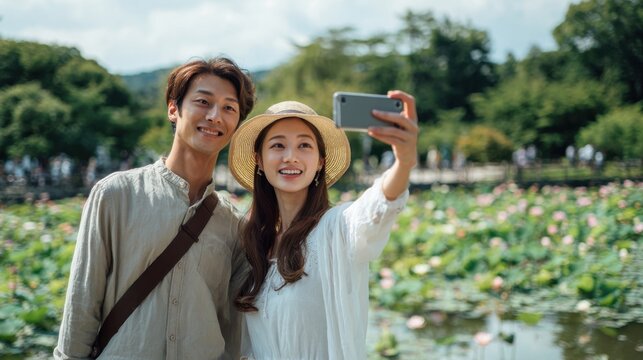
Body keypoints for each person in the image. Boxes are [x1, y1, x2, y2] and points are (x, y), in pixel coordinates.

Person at [54, 57, 256, 359]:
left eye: (229, 108)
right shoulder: (115, 195)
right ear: (173, 109)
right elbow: (82, 304)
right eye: (203, 102)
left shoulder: (233, 225)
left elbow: (234, 329)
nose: (215, 116)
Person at [228, 91, 419, 359]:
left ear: (320, 162)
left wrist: (404, 163)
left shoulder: (336, 230)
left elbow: (377, 209)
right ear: (259, 159)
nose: (290, 157)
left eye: (304, 145)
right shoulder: (251, 241)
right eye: (278, 146)